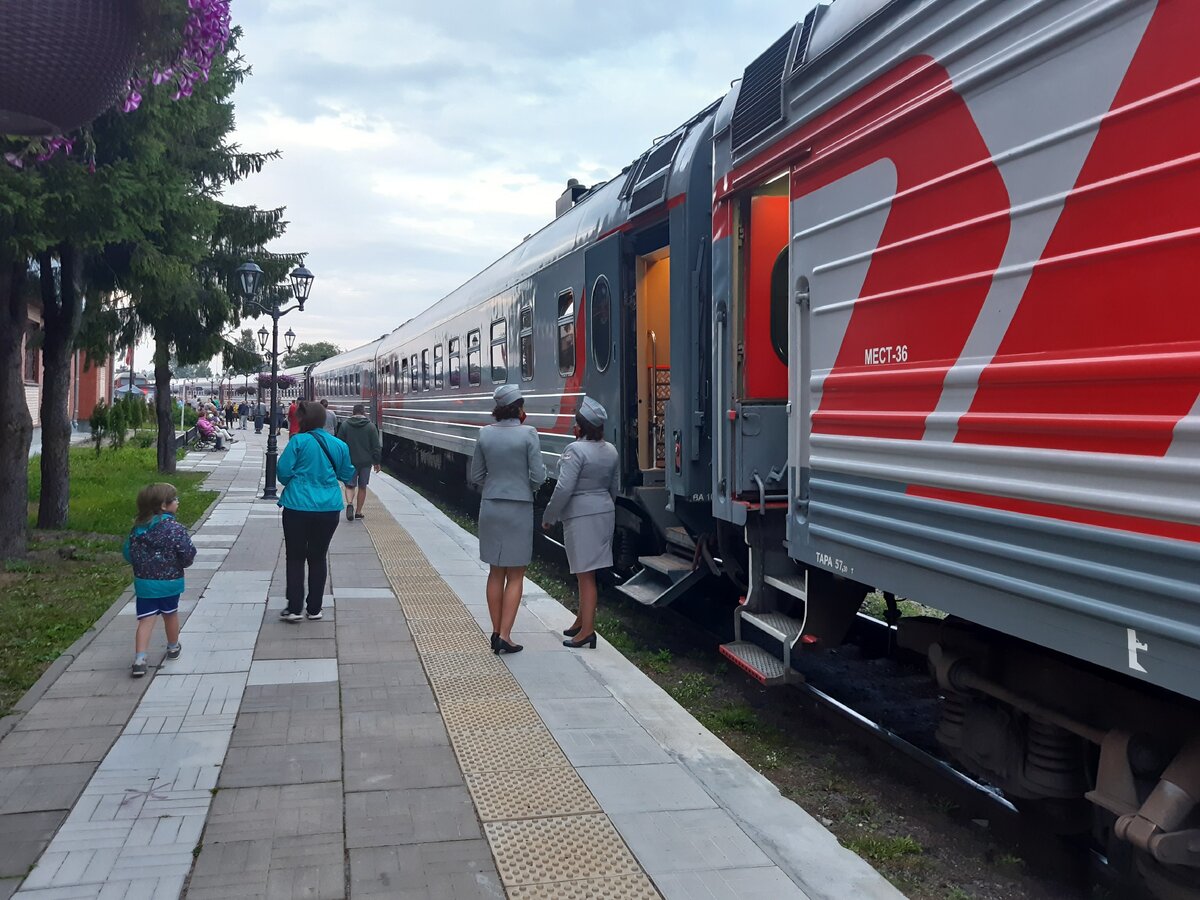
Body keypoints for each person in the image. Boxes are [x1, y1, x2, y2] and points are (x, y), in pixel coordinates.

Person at [468, 384, 546, 655]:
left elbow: (476, 475)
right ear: (519, 408)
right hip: (519, 508)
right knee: (516, 575)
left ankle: (494, 632)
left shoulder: (484, 434)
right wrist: (528, 483)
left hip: (490, 506)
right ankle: (505, 636)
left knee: (495, 571)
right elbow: (538, 476)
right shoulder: (529, 434)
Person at [542, 397, 619, 649]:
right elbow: (613, 488)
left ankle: (587, 632)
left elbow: (564, 488)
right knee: (586, 572)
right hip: (604, 512)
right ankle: (581, 620)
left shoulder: (575, 450)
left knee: (585, 576)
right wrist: (604, 506)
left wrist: (549, 516)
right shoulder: (611, 450)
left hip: (581, 516)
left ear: (579, 427)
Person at [277, 400, 355, 622]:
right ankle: (314, 609)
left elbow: (282, 472)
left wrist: (297, 480)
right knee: (318, 557)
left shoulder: (298, 442)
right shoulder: (339, 445)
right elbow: (346, 472)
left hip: (296, 507)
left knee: (295, 556)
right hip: (328, 508)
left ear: (304, 419)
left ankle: (294, 608)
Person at [123, 483, 196, 677]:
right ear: (164, 505)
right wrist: (183, 563)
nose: (178, 502)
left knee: (145, 620)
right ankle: (173, 647)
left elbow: (128, 553)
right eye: (175, 499)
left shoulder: (137, 529)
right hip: (170, 583)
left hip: (145, 583)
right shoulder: (175, 529)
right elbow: (187, 553)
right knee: (170, 614)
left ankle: (140, 658)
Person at [336, 403, 381, 521]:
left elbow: (339, 444)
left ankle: (350, 503)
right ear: (364, 413)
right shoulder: (371, 426)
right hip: (366, 462)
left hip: (349, 461)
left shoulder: (345, 425)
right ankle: (359, 511)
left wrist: (340, 460)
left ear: (353, 412)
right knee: (362, 487)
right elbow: (376, 446)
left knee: (349, 485)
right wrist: (376, 462)